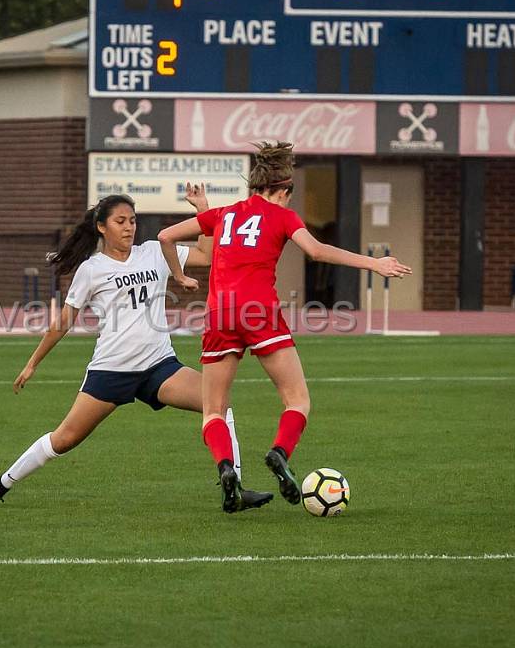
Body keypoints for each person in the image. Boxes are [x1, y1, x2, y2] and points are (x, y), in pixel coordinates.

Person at [0, 189, 273, 512]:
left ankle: (233, 488)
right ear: (101, 227)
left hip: (159, 367)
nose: (129, 227)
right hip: (112, 371)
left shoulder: (154, 252)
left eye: (133, 221)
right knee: (64, 439)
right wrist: (32, 363)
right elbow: (64, 322)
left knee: (219, 404)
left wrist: (204, 211)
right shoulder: (92, 269)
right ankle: (0, 485)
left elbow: (205, 256)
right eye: (120, 221)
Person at [157, 141, 411, 512]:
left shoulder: (225, 214)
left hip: (219, 314)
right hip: (259, 312)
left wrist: (179, 275)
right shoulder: (282, 216)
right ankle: (279, 453)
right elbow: (317, 251)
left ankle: (227, 468)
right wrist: (374, 265)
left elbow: (165, 236)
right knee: (297, 399)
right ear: (284, 189)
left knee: (214, 410)